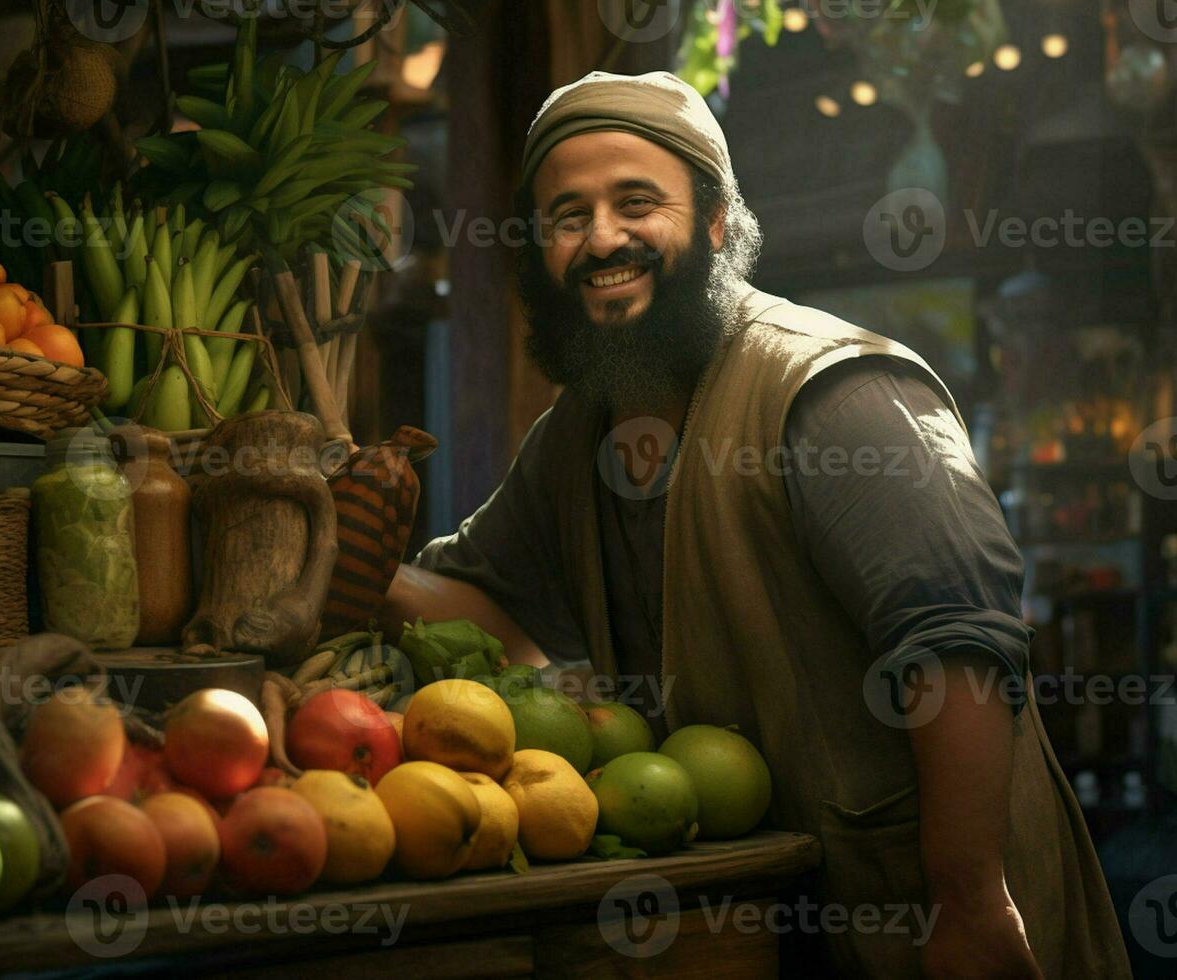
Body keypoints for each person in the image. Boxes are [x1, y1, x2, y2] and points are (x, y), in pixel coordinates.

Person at [383, 70, 1130, 978]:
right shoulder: (575, 436)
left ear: (712, 223)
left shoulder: (833, 393)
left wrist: (969, 897)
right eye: (567, 216)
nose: (602, 239)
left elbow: (957, 648)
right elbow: (477, 598)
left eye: (636, 202)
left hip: (928, 915)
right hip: (759, 926)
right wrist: (340, 554)